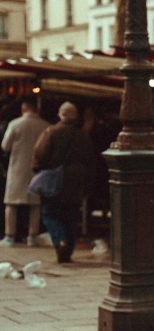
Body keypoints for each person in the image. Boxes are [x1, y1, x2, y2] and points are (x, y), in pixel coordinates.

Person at [32, 102, 95, 264]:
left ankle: (60, 240)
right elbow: (90, 160)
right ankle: (67, 252)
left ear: (60, 115)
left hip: (55, 180)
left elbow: (40, 154)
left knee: (50, 213)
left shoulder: (51, 132)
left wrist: (38, 169)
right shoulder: (83, 135)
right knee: (71, 216)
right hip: (76, 181)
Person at [0, 99, 49, 247]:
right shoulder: (45, 126)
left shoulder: (15, 124)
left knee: (11, 203)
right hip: (37, 171)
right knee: (35, 204)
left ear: (23, 109)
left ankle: (10, 236)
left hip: (17, 169)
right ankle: (32, 236)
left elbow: (5, 146)